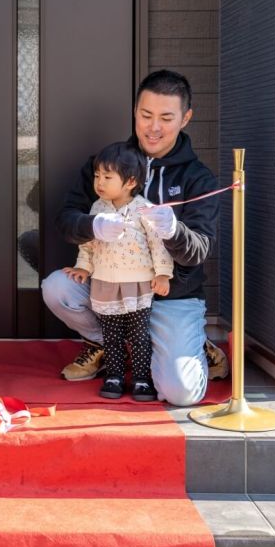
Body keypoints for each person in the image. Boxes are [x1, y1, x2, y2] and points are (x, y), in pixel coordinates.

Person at [41, 69, 229, 406]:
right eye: (146, 115)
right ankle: (107, 343)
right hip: (111, 286)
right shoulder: (105, 164)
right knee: (57, 288)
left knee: (180, 393)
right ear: (134, 112)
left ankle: (191, 345)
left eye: (166, 118)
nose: (153, 127)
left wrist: (173, 230)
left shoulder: (198, 178)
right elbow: (66, 220)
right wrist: (94, 226)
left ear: (185, 118)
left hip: (169, 295)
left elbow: (199, 250)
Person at [62, 142, 173, 401]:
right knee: (110, 335)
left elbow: (157, 243)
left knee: (138, 335)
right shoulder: (98, 208)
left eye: (107, 177)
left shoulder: (144, 209)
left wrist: (163, 273)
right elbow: (88, 242)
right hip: (105, 283)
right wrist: (83, 266)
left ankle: (142, 379)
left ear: (130, 181)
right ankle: (114, 375)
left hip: (137, 283)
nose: (99, 182)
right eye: (97, 176)